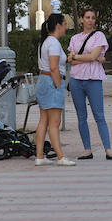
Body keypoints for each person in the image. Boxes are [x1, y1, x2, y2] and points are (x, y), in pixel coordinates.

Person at [66, 9, 112, 161]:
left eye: (93, 18)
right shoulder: (74, 38)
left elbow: (94, 55)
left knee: (99, 115)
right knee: (81, 117)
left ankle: (108, 149)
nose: (90, 20)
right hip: (76, 79)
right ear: (81, 19)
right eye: (87, 17)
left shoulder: (99, 35)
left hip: (94, 79)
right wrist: (87, 58)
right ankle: (87, 149)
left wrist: (78, 56)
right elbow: (71, 60)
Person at [35, 14, 77, 166]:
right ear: (58, 25)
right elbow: (53, 67)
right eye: (65, 24)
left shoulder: (45, 42)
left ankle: (39, 155)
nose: (66, 27)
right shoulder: (53, 43)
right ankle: (60, 156)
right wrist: (59, 85)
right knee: (54, 123)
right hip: (52, 82)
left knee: (44, 121)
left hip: (43, 81)